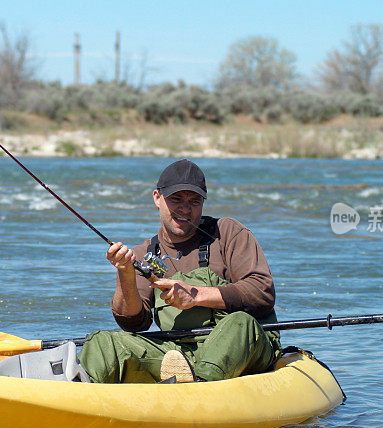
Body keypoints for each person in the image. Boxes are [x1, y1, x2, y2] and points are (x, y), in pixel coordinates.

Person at [78, 159, 281, 383]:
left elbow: (262, 291)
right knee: (101, 342)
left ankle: (197, 389)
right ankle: (78, 395)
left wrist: (195, 295)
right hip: (178, 355)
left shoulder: (228, 232)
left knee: (239, 323)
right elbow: (134, 323)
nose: (185, 209)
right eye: (176, 199)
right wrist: (125, 274)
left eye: (194, 201)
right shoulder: (144, 253)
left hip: (246, 347)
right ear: (157, 198)